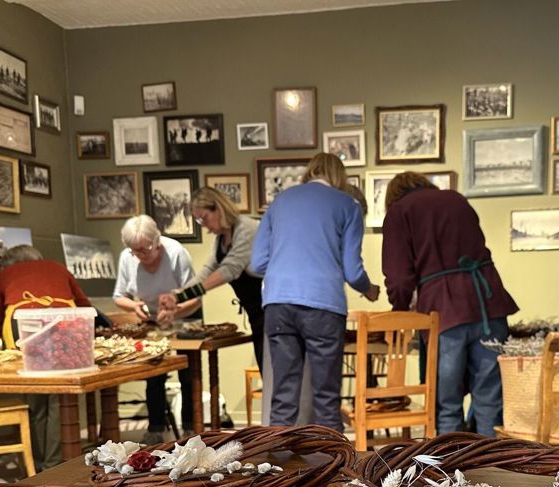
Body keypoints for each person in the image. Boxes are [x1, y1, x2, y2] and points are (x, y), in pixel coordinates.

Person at [381, 172, 518, 437]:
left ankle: (451, 470)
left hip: (444, 313)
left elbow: (398, 279)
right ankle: (491, 466)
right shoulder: (456, 200)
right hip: (488, 304)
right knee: (490, 399)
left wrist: (400, 311)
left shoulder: (400, 212)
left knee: (446, 402)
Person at [250, 152, 379, 432]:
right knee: (326, 398)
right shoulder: (348, 204)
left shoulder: (280, 201)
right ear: (338, 176)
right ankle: (331, 467)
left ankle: (276, 468)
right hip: (323, 306)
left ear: (310, 172)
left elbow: (257, 262)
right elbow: (353, 270)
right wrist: (369, 290)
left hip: (277, 304)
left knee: (283, 397)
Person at [0, 244, 92, 470]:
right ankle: (54, 463)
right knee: (56, 399)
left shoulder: (5, 274)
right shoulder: (57, 267)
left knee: (35, 398)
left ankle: (38, 462)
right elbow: (83, 304)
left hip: (23, 327)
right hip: (65, 325)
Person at [159, 187, 265, 372]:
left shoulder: (246, 228)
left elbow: (229, 270)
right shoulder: (221, 239)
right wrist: (175, 295)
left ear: (218, 208)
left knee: (276, 376)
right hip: (257, 316)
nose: (203, 225)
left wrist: (180, 298)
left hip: (272, 314)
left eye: (203, 218)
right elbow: (206, 272)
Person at [114, 214, 198, 444]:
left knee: (189, 374)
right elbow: (119, 297)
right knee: (154, 373)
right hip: (151, 319)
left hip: (184, 316)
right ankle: (156, 427)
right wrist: (135, 306)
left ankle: (191, 428)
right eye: (135, 251)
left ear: (157, 241)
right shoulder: (126, 258)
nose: (140, 255)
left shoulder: (176, 253)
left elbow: (196, 296)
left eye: (145, 249)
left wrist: (175, 311)